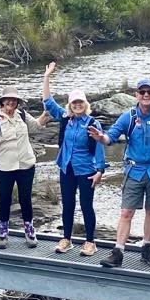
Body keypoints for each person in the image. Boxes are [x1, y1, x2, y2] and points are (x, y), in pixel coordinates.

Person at [91, 78, 150, 268]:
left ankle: (147, 250)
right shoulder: (128, 117)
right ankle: (118, 252)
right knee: (126, 212)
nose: (146, 95)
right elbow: (111, 137)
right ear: (136, 95)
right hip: (134, 171)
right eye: (142, 92)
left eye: (149, 92)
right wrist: (101, 137)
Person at [39, 62, 107, 257]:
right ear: (70, 105)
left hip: (86, 170)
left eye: (80, 103)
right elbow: (48, 102)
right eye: (74, 103)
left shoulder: (93, 123)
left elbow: (100, 147)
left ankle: (90, 242)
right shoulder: (65, 118)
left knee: (86, 205)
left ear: (85, 105)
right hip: (66, 167)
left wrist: (100, 171)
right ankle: (66, 239)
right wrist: (46, 77)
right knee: (68, 203)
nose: (77, 105)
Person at [0, 87, 38, 249]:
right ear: (2, 101)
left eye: (14, 100)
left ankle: (29, 230)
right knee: (5, 199)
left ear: (18, 102)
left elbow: (36, 127)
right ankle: (3, 232)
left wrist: (47, 114)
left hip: (25, 163)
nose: (11, 102)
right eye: (8, 99)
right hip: (4, 165)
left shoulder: (23, 115)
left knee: (25, 199)